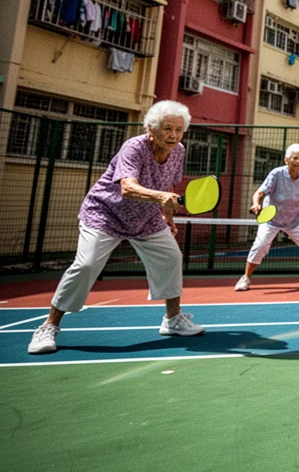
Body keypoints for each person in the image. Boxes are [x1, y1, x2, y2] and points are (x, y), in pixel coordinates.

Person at [27, 101, 205, 355]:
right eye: (167, 128)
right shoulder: (133, 147)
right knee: (86, 264)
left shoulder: (178, 151)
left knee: (171, 258)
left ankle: (173, 319)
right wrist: (160, 199)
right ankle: (49, 326)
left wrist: (167, 215)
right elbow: (127, 188)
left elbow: (168, 185)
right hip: (105, 214)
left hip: (146, 218)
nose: (174, 135)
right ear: (151, 128)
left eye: (179, 130)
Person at [235, 143, 299, 290]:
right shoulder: (276, 174)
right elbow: (259, 193)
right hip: (271, 220)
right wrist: (256, 204)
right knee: (260, 246)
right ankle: (245, 278)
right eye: (295, 158)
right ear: (286, 160)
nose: (298, 161)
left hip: (295, 219)